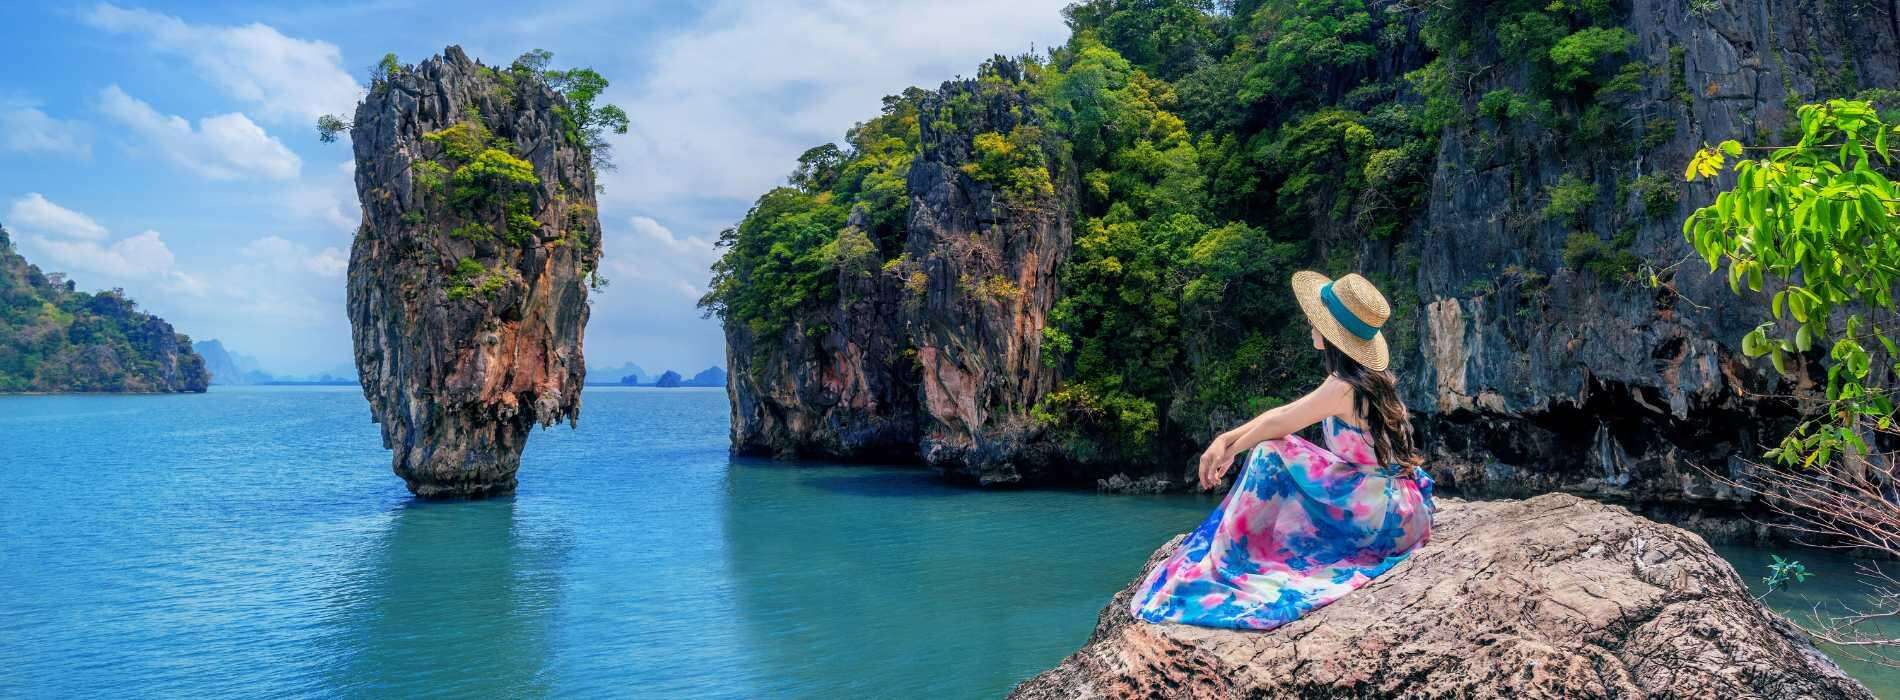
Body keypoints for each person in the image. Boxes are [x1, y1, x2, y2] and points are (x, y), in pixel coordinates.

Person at [1129, 271, 1435, 630]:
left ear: (1334, 333)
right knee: (1275, 446)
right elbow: (1282, 414)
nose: (1310, 323)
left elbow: (1280, 423)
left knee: (1269, 452)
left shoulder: (1343, 386)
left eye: (1318, 319)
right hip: (1393, 502)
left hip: (1382, 517)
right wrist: (1226, 440)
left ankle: (1235, 556)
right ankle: (1245, 548)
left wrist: (1232, 448)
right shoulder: (1359, 378)